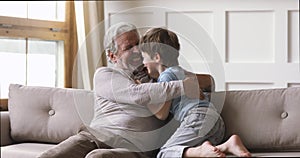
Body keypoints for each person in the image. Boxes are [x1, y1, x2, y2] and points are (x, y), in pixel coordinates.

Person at [38, 22, 202, 158]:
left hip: (136, 147)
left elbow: (208, 81)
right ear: (112, 56)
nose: (137, 50)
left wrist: (187, 79)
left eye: (138, 44)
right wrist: (183, 86)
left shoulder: (159, 76)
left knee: (97, 157)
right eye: (129, 47)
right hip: (97, 136)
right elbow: (136, 94)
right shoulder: (105, 74)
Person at [140, 27, 252, 157]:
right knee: (196, 148)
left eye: (144, 58)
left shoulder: (166, 78)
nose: (143, 63)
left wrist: (143, 95)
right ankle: (227, 145)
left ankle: (201, 151)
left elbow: (162, 114)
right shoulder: (183, 73)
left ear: (157, 57)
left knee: (164, 154)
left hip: (198, 119)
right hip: (216, 122)